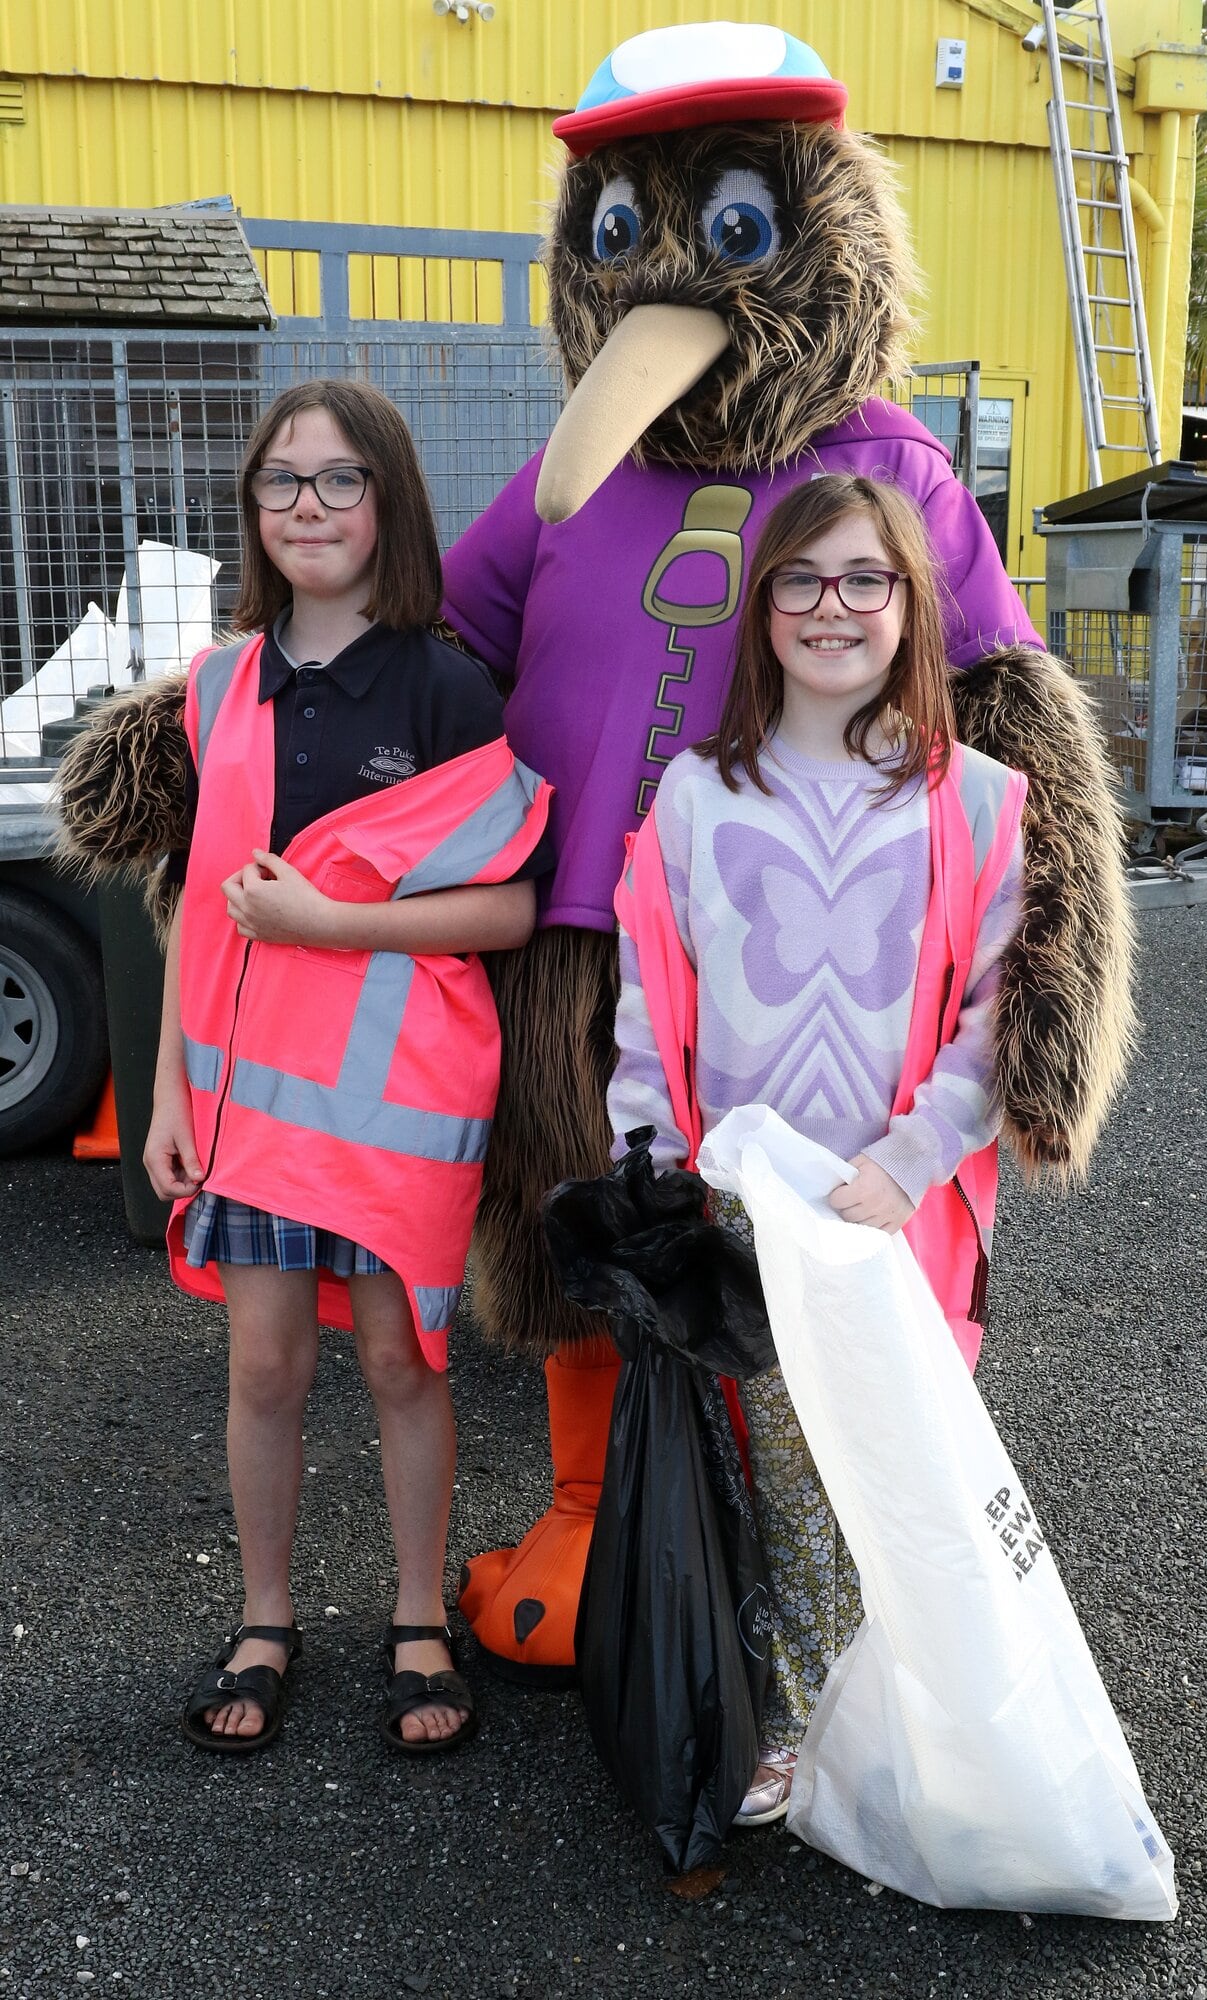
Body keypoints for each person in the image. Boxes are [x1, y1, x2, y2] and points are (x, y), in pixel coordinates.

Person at [606, 474, 1029, 1825]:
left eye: (866, 580)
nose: (832, 607)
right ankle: (796, 1712)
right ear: (763, 607)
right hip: (745, 1206)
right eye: (801, 580)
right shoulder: (691, 796)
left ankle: (878, 1708)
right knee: (768, 1465)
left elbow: (999, 1019)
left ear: (912, 605)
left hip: (893, 1210)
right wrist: (656, 1164)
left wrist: (904, 1167)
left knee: (887, 1467)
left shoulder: (979, 800)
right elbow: (646, 1006)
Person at [143, 380, 553, 1756]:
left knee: (398, 1361)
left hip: (400, 1106)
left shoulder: (442, 683)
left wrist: (334, 923)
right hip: (251, 1101)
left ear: (389, 504)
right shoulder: (218, 685)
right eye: (281, 483)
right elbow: (203, 903)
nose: (305, 507)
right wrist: (166, 1098)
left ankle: (417, 1615)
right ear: (252, 511)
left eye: (336, 481)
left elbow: (505, 907)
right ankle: (266, 1618)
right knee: (264, 1368)